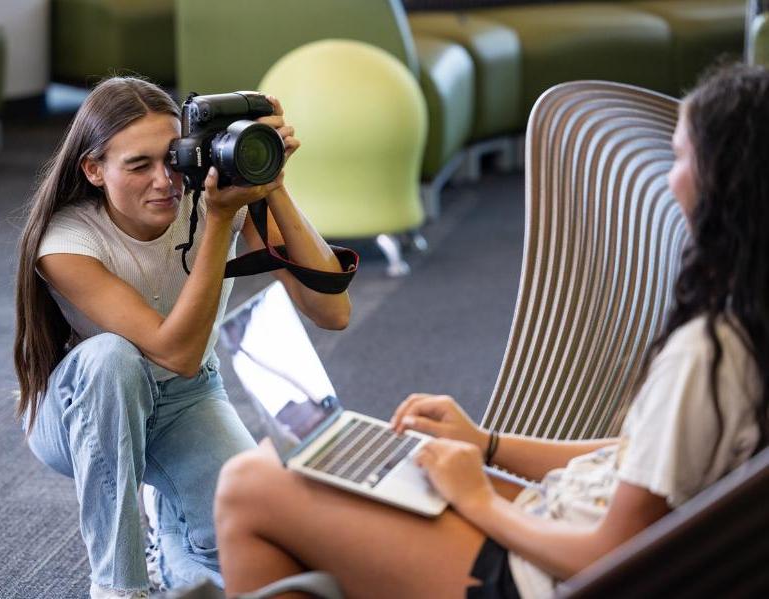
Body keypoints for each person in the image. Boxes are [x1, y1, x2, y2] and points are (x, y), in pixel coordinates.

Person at [213, 63, 769, 598]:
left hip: (543, 576)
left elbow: (611, 553)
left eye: (678, 157)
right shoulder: (746, 322)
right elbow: (635, 458)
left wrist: (478, 500)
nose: (669, 180)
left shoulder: (710, 350)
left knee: (248, 486)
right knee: (308, 468)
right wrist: (488, 445)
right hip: (556, 521)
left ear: (723, 180)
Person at [13, 76, 351, 599]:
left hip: (186, 398)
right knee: (112, 358)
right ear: (93, 169)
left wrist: (271, 182)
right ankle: (118, 586)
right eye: (138, 165)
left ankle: (169, 552)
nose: (164, 181)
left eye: (172, 158)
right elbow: (179, 351)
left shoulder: (212, 193)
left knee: (262, 546)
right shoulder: (67, 243)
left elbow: (332, 311)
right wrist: (218, 220)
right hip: (85, 409)